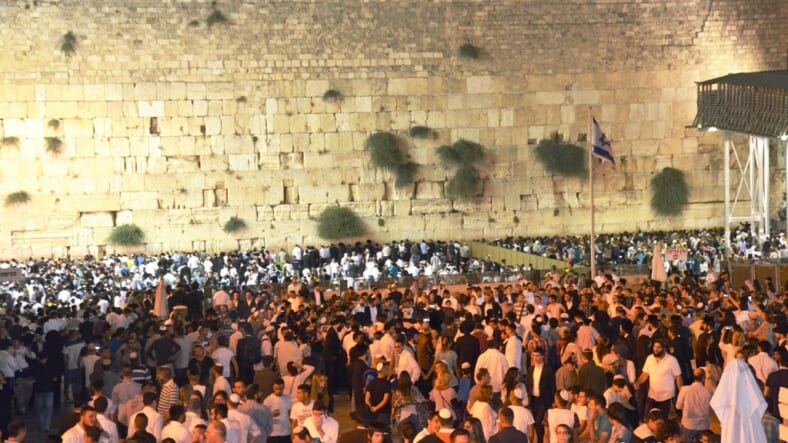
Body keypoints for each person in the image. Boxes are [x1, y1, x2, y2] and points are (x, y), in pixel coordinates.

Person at [634, 339, 682, 420]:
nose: (655, 349)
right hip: (652, 394)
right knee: (650, 418)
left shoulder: (672, 360)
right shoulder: (649, 358)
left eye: (658, 347)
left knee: (663, 419)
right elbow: (645, 374)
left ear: (664, 348)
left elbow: (678, 377)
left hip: (666, 396)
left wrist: (681, 392)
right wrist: (638, 382)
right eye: (654, 346)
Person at [675, 368, 712, 443]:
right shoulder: (708, 391)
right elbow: (711, 409)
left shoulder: (684, 389)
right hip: (703, 425)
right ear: (703, 378)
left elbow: (678, 406)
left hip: (688, 425)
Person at [263, 378, 292, 443]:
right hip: (273, 434)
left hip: (286, 432)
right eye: (276, 389)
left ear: (284, 387)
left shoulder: (288, 398)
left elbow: (290, 414)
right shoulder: (268, 400)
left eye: (281, 389)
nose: (279, 391)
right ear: (273, 387)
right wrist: (271, 414)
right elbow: (263, 417)